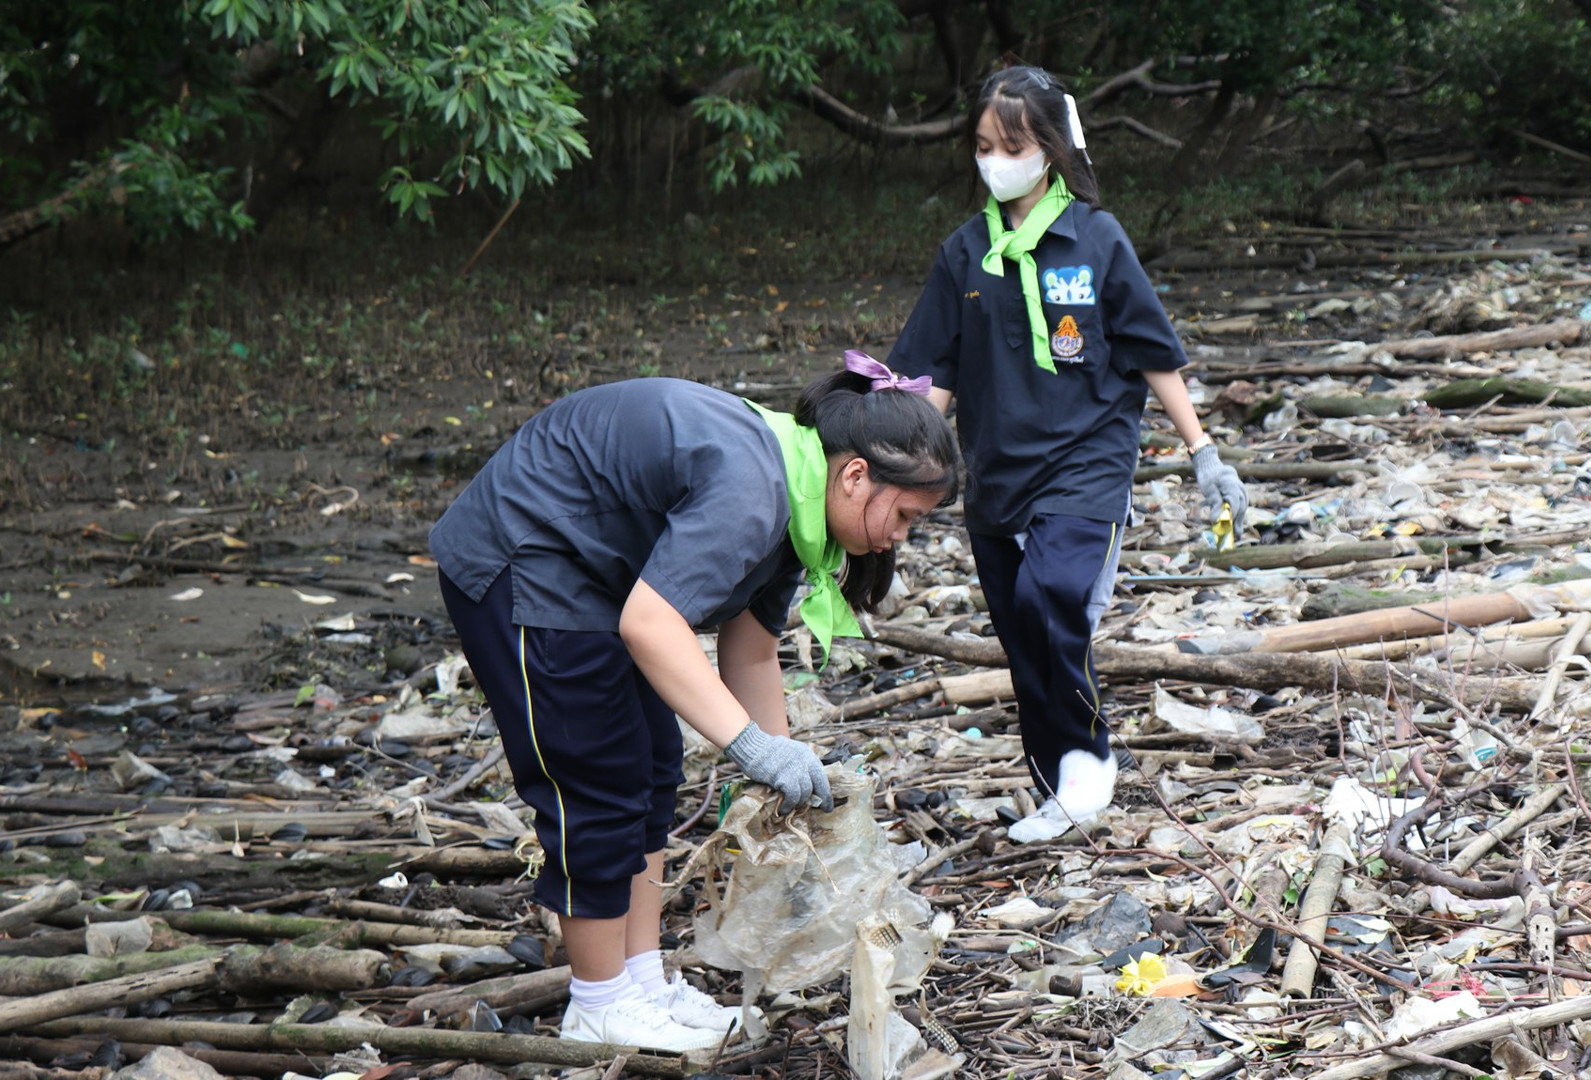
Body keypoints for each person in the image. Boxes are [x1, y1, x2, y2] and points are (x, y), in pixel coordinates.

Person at [429, 355, 960, 1051]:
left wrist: (782, 783)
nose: (900, 537)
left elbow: (752, 650)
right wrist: (752, 746)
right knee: (597, 780)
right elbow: (651, 624)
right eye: (907, 516)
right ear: (856, 474)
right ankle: (596, 1004)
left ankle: (640, 980)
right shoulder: (754, 488)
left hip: (598, 579)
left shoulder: (801, 503)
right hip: (527, 562)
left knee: (652, 768)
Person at [888, 65, 1247, 845]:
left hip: (1087, 461)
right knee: (1021, 640)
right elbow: (934, 374)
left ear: (1048, 148)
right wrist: (903, 473)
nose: (993, 159)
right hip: (996, 471)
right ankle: (1058, 790)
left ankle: (1091, 753)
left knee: (1052, 596)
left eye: (1010, 144)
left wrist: (1204, 453)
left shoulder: (1096, 237)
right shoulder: (966, 254)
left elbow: (1153, 352)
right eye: (983, 145)